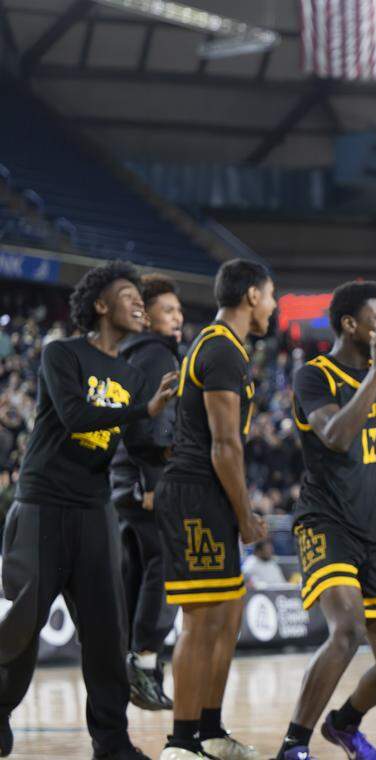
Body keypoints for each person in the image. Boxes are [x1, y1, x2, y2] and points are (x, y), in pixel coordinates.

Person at [0, 260, 178, 759]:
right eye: (129, 295)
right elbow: (76, 415)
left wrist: (176, 451)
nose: (139, 302)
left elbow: (140, 443)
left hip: (94, 508)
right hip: (42, 503)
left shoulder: (132, 375)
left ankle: (112, 742)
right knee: (20, 626)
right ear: (101, 305)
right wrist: (143, 411)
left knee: (106, 634)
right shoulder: (62, 353)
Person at [275, 280, 376, 760]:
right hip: (325, 522)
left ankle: (344, 723)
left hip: (373, 532)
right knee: (346, 629)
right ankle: (293, 745)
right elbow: (337, 436)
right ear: (349, 324)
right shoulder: (313, 375)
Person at [157, 259, 275, 760]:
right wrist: (246, 515)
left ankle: (209, 731)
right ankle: (180, 742)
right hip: (196, 495)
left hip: (208, 494)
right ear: (251, 295)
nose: (273, 305)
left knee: (227, 616)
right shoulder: (222, 350)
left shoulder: (227, 348)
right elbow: (224, 446)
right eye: (271, 295)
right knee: (202, 619)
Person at [110, 273, 184, 712]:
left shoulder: (127, 351)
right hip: (145, 476)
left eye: (178, 310)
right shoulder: (157, 353)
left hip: (121, 478)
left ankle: (135, 668)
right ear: (146, 314)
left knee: (136, 572)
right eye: (169, 310)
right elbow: (148, 425)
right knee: (167, 565)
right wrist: (155, 482)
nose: (177, 318)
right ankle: (144, 661)